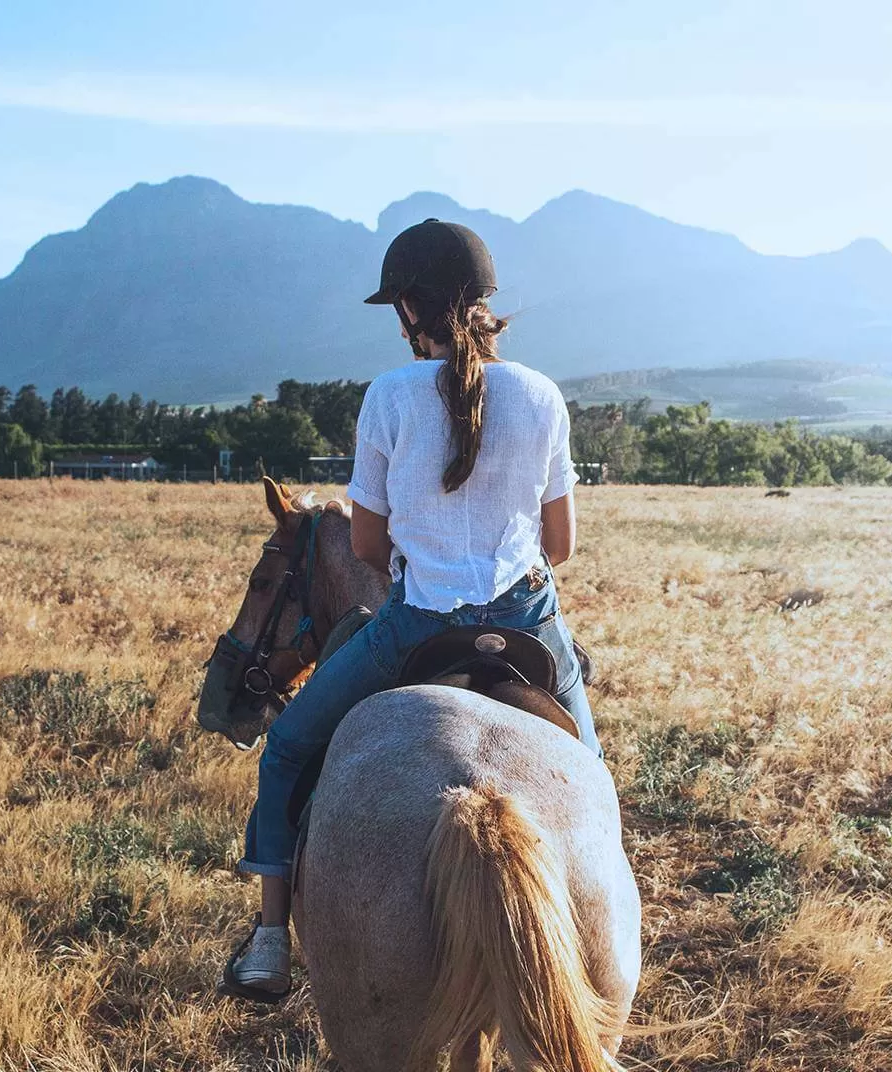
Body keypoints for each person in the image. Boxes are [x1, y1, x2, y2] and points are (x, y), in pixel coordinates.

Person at [222, 219, 600, 1003]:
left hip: (419, 623)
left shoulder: (389, 397)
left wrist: (424, 552)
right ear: (485, 304)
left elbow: (365, 544)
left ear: (407, 313)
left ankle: (267, 942)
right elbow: (558, 545)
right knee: (591, 778)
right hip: (528, 618)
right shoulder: (543, 395)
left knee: (289, 744)